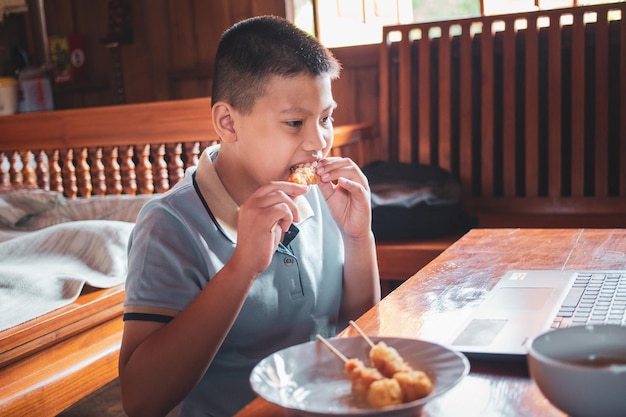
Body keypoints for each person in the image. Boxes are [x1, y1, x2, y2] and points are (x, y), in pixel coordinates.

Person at [118, 15, 380, 417]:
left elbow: (355, 329)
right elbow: (141, 400)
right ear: (228, 123)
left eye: (325, 118)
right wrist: (242, 268)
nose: (319, 142)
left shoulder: (317, 196)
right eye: (295, 123)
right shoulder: (169, 225)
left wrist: (359, 237)